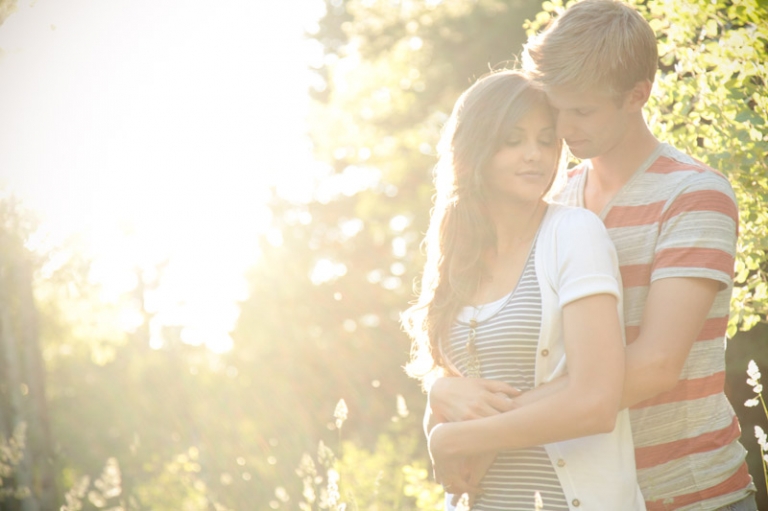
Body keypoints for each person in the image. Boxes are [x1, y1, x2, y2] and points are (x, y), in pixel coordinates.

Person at [428, 1, 757, 509]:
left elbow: (655, 365)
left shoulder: (694, 195)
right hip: (588, 487)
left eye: (582, 111)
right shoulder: (555, 201)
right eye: (556, 108)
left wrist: (481, 428)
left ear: (637, 96)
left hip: (689, 490)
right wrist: (444, 391)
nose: (564, 127)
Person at [401, 69, 645, 510]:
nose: (534, 155)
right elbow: (461, 395)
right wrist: (437, 399)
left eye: (545, 139)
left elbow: (596, 400)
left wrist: (453, 438)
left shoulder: (574, 232)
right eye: (512, 140)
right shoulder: (459, 255)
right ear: (475, 149)